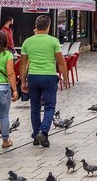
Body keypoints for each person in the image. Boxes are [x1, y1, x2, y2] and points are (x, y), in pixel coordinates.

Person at [20, 15, 66, 148]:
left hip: (33, 76)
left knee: (34, 108)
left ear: (36, 25)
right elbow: (61, 61)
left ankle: (36, 136)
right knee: (49, 106)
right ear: (48, 26)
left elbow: (22, 65)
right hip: (49, 76)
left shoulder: (27, 42)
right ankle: (43, 131)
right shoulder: (53, 41)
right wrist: (65, 77)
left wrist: (23, 81)